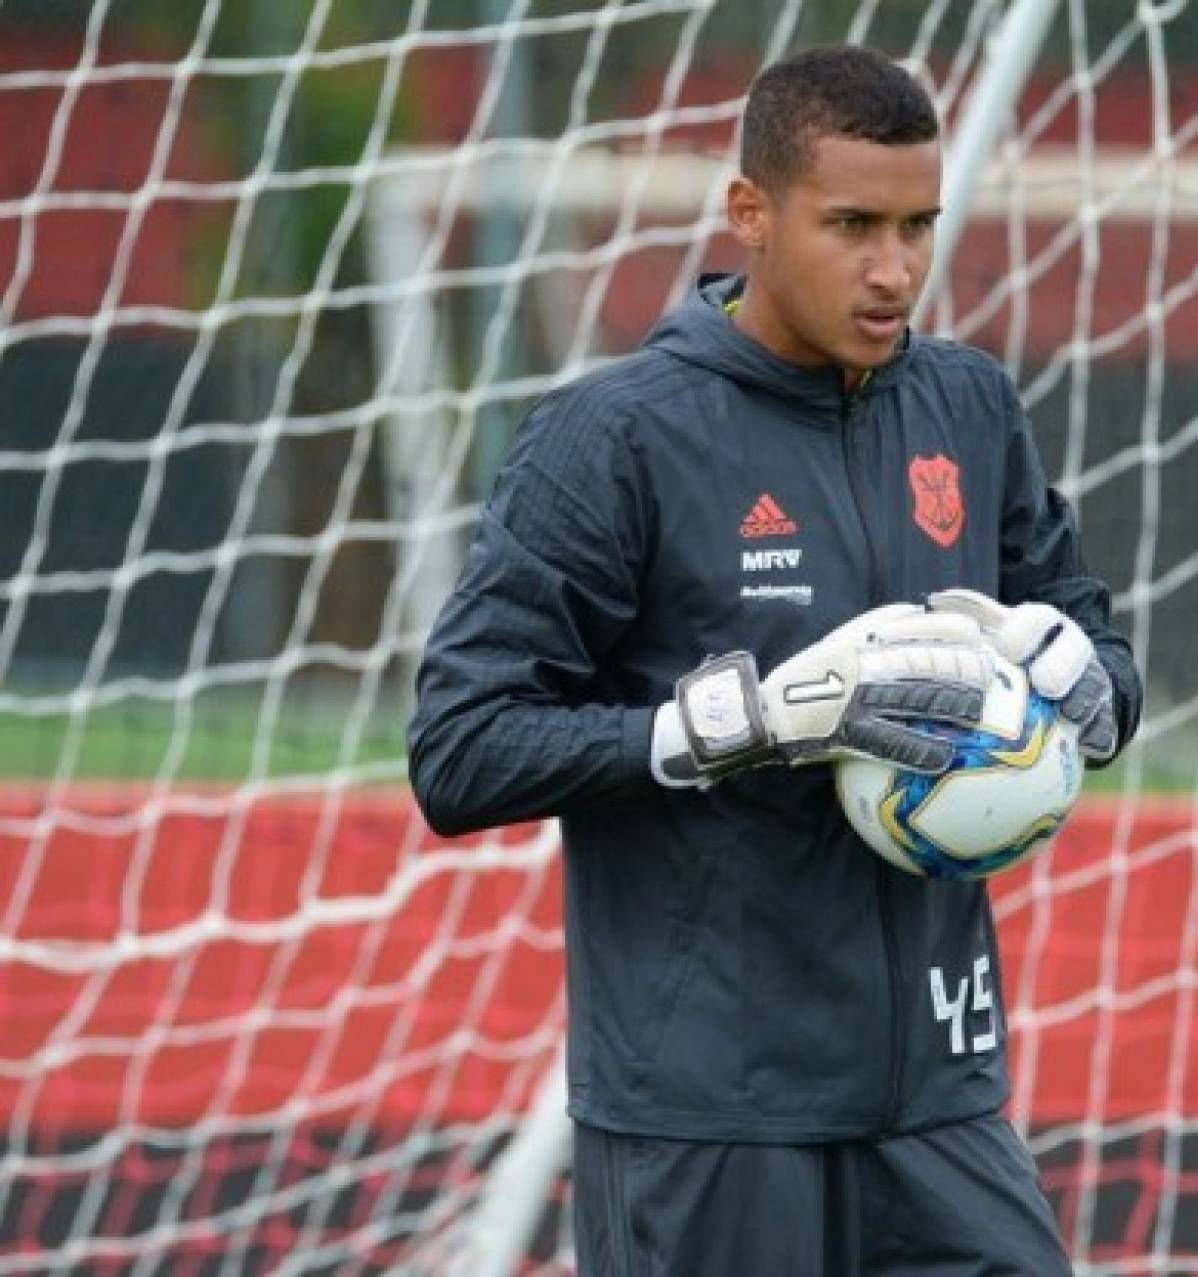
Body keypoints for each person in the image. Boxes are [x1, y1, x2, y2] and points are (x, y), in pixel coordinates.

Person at [407, 43, 1141, 1276]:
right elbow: (460, 747)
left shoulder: (967, 406)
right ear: (750, 212)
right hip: (711, 1116)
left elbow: (1089, 631)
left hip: (941, 1103)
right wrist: (728, 728)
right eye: (852, 223)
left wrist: (1090, 684)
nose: (893, 268)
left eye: (917, 225)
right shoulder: (617, 437)